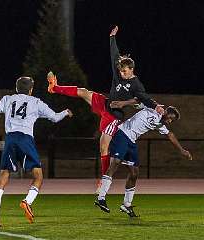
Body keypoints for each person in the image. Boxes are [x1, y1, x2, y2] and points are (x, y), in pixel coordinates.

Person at [47, 26, 164, 189]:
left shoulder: (136, 84)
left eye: (124, 71)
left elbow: (144, 97)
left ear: (132, 70)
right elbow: (114, 55)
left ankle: (104, 179)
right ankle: (55, 88)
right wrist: (112, 38)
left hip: (114, 115)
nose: (121, 73)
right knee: (83, 92)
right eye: (120, 71)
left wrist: (156, 105)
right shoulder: (119, 72)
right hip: (105, 103)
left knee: (103, 146)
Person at [0, 76, 73, 227]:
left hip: (10, 139)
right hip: (25, 140)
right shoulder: (36, 102)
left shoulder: (7, 99)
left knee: (4, 174)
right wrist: (65, 112)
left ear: (17, 88)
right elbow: (55, 118)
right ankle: (27, 201)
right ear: (30, 90)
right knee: (38, 176)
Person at [94, 105, 192, 217]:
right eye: (170, 118)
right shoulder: (152, 108)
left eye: (172, 121)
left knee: (134, 173)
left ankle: (126, 205)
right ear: (166, 112)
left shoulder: (159, 124)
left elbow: (170, 135)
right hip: (122, 134)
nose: (169, 121)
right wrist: (124, 102)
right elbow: (139, 100)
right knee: (115, 162)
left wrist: (182, 150)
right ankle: (101, 197)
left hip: (131, 141)